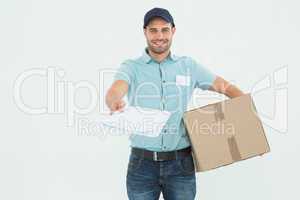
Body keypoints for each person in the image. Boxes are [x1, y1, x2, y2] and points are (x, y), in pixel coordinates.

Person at [105, 7, 244, 200]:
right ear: (145, 31)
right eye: (153, 30)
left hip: (181, 165)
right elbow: (115, 90)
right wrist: (114, 100)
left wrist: (249, 119)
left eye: (164, 29)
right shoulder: (131, 67)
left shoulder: (188, 66)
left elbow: (226, 87)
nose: (159, 36)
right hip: (141, 166)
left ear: (173, 31)